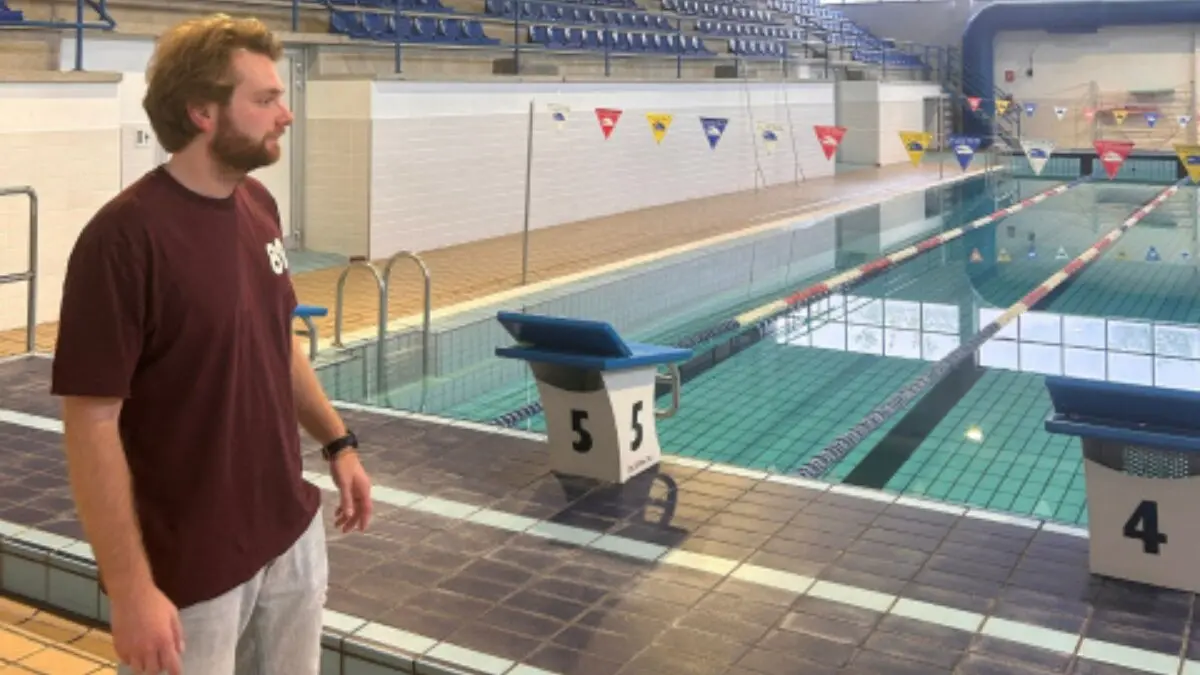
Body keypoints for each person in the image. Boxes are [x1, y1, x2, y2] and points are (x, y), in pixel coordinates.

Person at [49, 14, 373, 675]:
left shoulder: (258, 205)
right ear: (201, 110)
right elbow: (90, 420)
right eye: (264, 99)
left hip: (287, 529)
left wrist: (337, 442)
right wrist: (133, 587)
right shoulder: (123, 240)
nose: (285, 114)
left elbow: (276, 344)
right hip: (191, 568)